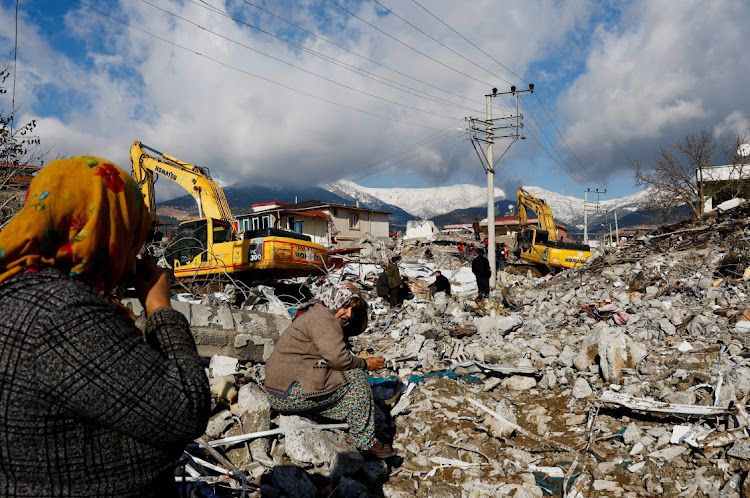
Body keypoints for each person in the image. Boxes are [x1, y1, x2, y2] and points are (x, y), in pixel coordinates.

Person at [0, 156, 211, 496]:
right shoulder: (65, 312)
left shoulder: (15, 286)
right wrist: (160, 308)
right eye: (132, 232)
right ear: (108, 228)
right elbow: (183, 411)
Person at [264, 283, 396, 458]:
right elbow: (339, 359)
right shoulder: (324, 320)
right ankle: (365, 442)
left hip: (280, 389)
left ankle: (349, 417)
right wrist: (365, 364)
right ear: (336, 301)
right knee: (355, 377)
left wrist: (360, 303)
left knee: (334, 373)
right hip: (288, 393)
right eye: (345, 306)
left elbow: (355, 328)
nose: (349, 314)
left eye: (353, 310)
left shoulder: (319, 311)